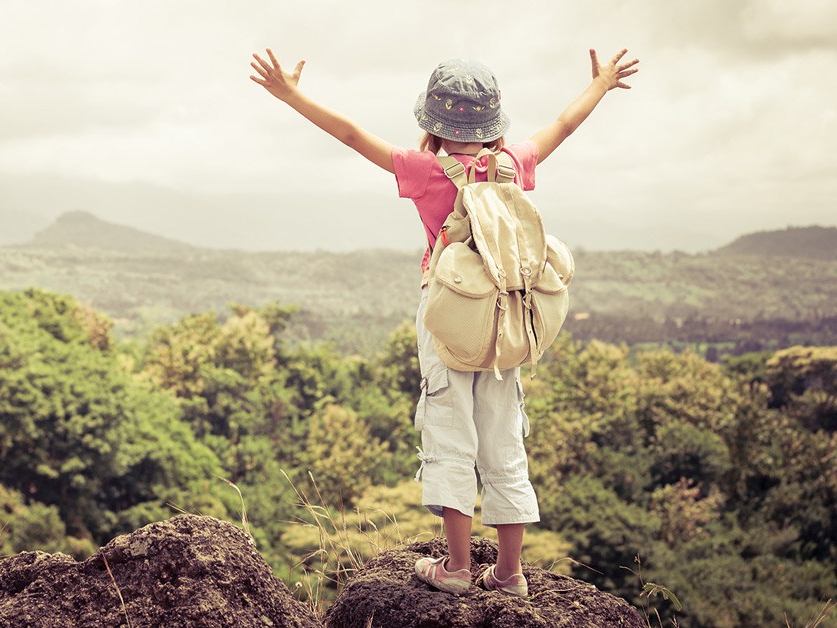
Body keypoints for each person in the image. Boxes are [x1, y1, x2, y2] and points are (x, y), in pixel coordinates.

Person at [249, 47, 639, 597]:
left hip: (450, 318)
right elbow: (564, 126)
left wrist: (290, 95)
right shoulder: (513, 163)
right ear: (493, 121)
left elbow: (352, 136)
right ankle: (509, 574)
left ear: (431, 122)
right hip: (506, 320)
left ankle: (456, 568)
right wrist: (600, 83)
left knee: (449, 431)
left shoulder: (426, 169)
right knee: (504, 438)